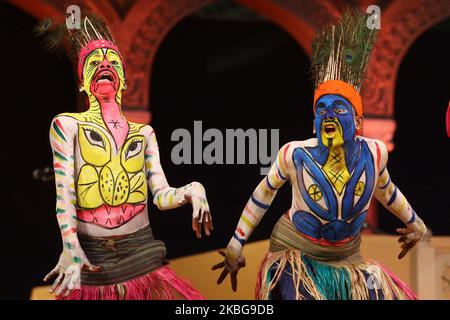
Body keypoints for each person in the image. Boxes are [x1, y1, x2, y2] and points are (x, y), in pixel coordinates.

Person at [213, 9, 426, 300]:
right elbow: (263, 194)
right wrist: (237, 244)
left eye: (339, 109)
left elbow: (386, 190)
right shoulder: (294, 154)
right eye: (321, 110)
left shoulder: (375, 154)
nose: (329, 115)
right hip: (296, 253)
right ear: (314, 123)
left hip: (347, 258)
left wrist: (414, 222)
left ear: (358, 122)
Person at [41, 14, 213, 300]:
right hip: (92, 260)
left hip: (141, 255)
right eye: (94, 62)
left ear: (123, 80)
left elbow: (160, 196)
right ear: (82, 82)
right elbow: (64, 193)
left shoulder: (144, 134)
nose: (105, 65)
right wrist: (70, 245)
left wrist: (193, 189)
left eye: (112, 62)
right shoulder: (67, 126)